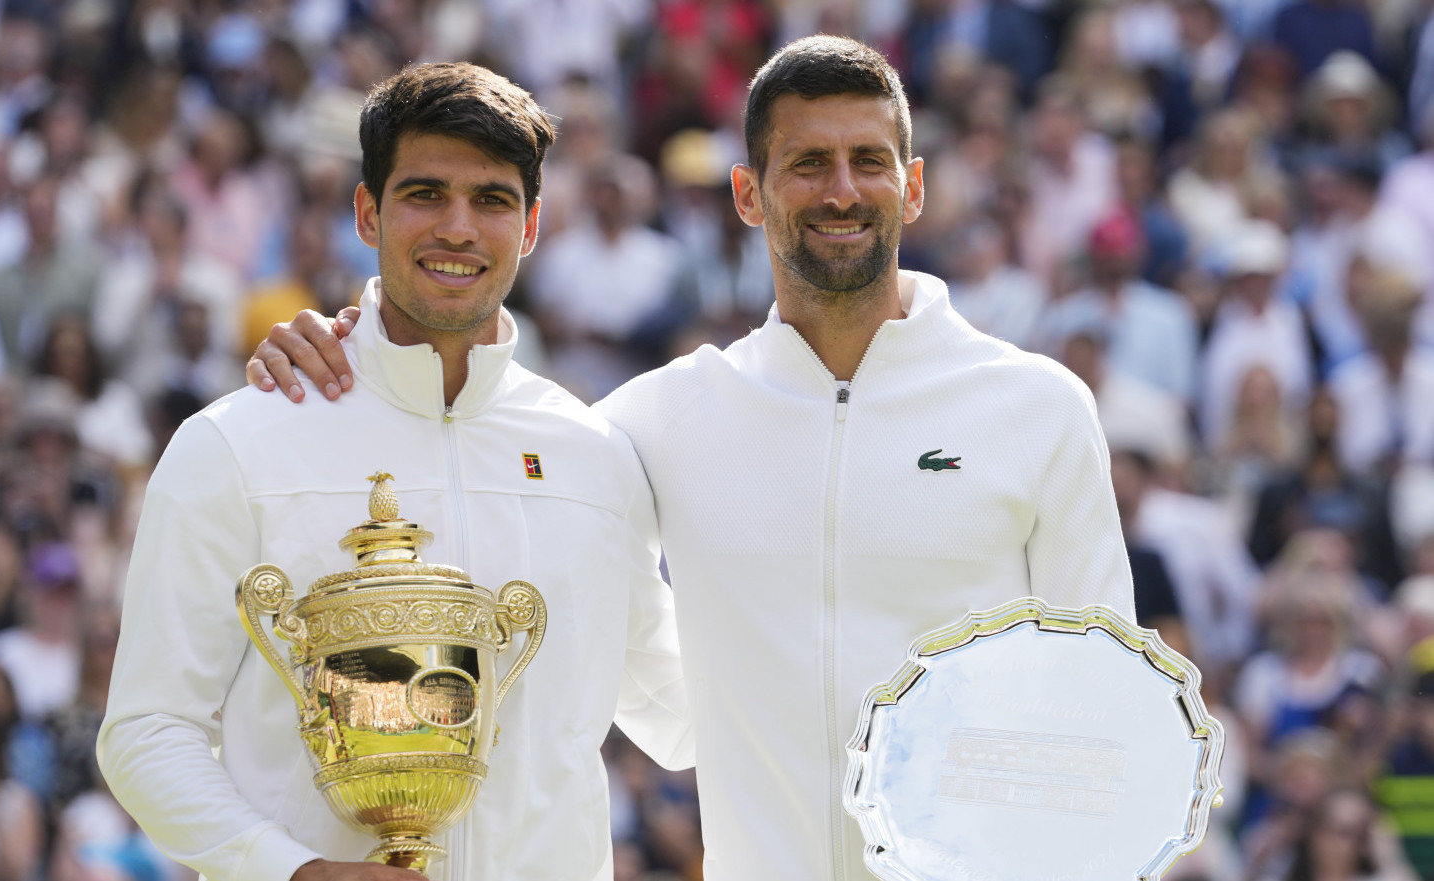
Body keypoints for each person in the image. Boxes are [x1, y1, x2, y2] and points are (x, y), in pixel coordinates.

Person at [249, 37, 1135, 881]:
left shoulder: (1039, 409)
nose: (841, 190)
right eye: (807, 163)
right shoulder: (649, 421)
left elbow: (1108, 712)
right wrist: (350, 355)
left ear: (913, 188)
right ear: (749, 193)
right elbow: (469, 440)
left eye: (869, 161)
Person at [97, 62, 692, 881]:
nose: (457, 227)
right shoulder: (237, 442)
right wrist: (295, 871)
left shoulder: (594, 454)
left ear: (531, 225)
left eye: (491, 199)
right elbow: (145, 730)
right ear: (367, 211)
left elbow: (681, 714)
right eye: (425, 194)